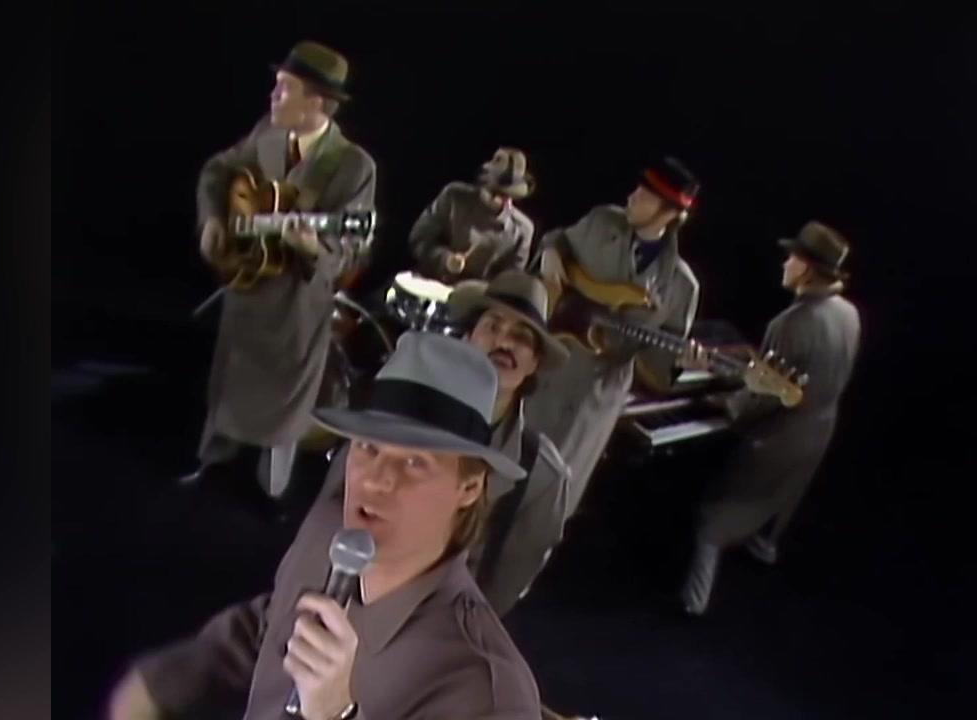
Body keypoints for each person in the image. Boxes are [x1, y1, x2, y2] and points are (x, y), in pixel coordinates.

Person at [108, 332, 545, 719]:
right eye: (368, 447)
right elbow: (269, 626)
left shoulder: (484, 690)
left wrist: (337, 714)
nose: (377, 479)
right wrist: (159, 685)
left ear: (468, 487)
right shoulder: (328, 535)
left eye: (415, 462)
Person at [181, 40, 378, 499]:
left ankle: (271, 489)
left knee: (284, 401)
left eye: (285, 88)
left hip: (296, 305)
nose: (273, 96)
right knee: (231, 382)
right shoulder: (266, 134)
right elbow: (217, 171)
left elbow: (351, 250)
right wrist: (212, 220)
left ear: (316, 102)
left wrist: (313, 246)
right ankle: (213, 462)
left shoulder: (354, 166)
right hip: (248, 285)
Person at [315, 270, 572, 617]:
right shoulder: (391, 421)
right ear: (468, 337)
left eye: (522, 337)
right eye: (493, 326)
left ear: (535, 363)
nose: (504, 342)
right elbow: (325, 518)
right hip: (336, 596)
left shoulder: (542, 477)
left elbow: (500, 590)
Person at [681, 221, 862, 616]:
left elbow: (762, 395)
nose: (785, 263)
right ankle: (765, 545)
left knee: (715, 517)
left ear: (807, 268)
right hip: (820, 429)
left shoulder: (790, 324)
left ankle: (695, 601)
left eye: (792, 258)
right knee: (783, 497)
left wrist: (722, 402)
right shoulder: (849, 313)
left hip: (778, 438)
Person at [525, 156, 711, 517]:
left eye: (647, 194)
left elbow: (658, 371)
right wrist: (549, 253)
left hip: (588, 402)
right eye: (638, 187)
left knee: (543, 504)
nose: (633, 196)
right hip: (543, 369)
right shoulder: (601, 221)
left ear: (671, 213)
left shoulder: (681, 286)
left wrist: (682, 362)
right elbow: (558, 239)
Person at [408, 148, 537, 283]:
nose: (501, 201)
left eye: (508, 195)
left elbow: (510, 279)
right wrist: (445, 259)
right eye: (494, 193)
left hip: (477, 294)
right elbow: (419, 238)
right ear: (484, 185)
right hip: (432, 281)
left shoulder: (523, 229)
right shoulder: (454, 197)